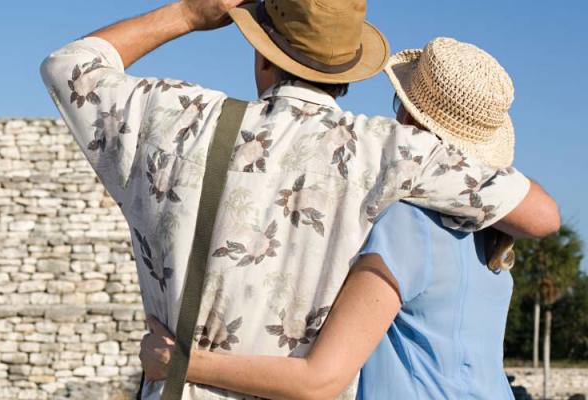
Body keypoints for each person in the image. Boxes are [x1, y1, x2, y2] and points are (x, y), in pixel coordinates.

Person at [39, 0, 560, 398]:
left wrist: (189, 13)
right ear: (349, 70)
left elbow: (69, 66)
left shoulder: (176, 117)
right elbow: (540, 215)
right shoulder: (392, 152)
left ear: (262, 51)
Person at [139, 38, 530, 399]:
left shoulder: (408, 225)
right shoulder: (491, 242)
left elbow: (320, 379)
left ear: (411, 124)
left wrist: (183, 362)